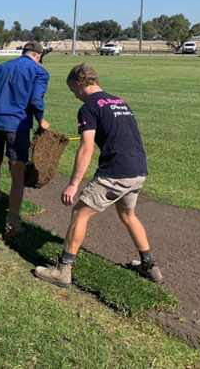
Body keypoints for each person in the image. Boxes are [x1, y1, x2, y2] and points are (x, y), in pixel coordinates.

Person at [35, 64, 163, 287]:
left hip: (116, 173)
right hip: (138, 169)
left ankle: (63, 270)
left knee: (79, 214)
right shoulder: (119, 101)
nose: (74, 96)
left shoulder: (89, 107)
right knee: (128, 215)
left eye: (73, 91)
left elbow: (86, 148)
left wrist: (73, 184)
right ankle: (149, 265)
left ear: (78, 83)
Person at [0, 41, 50, 240]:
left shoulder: (1, 67)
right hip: (17, 125)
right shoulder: (39, 72)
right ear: (38, 55)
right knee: (17, 171)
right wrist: (41, 119)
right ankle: (13, 223)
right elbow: (36, 100)